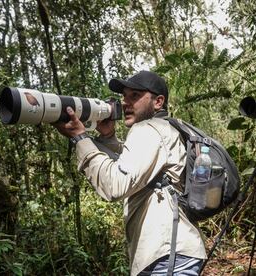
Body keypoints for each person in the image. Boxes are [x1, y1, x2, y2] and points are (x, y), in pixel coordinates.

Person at [54, 70, 206, 275]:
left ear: (158, 102)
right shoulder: (164, 129)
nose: (125, 102)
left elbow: (114, 185)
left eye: (135, 96)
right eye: (124, 96)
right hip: (170, 253)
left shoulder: (149, 129)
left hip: (167, 254)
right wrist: (108, 138)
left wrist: (80, 138)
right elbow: (132, 169)